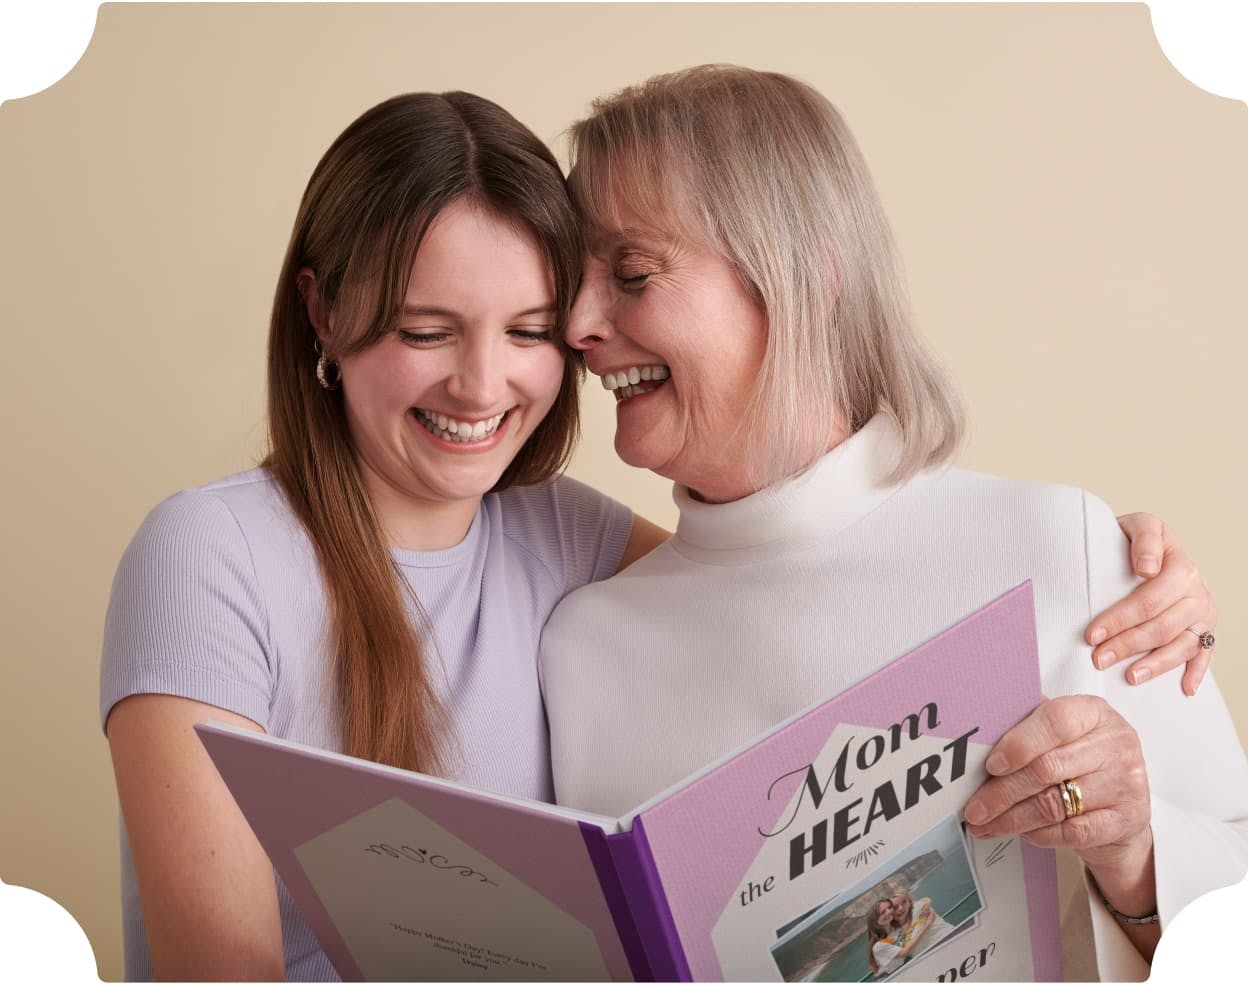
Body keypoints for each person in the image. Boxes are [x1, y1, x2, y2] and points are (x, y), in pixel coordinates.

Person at [102, 87, 1210, 983]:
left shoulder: (568, 552)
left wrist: (1123, 579)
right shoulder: (234, 557)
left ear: (801, 275)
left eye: (540, 324)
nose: (509, 370)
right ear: (324, 317)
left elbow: (780, 566)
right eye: (425, 329)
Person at [539, 64, 1247, 980]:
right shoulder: (583, 647)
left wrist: (1138, 856)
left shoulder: (1058, 547)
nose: (577, 322)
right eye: (574, 280)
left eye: (631, 272)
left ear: (805, 274)